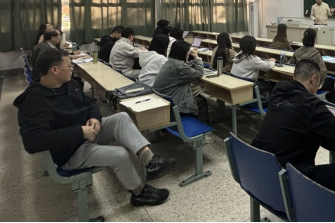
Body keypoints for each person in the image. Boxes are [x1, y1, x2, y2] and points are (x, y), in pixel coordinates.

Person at [14, 48, 170, 206]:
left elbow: (90, 103)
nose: (72, 69)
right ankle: (139, 193)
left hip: (89, 131)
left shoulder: (69, 84)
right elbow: (33, 142)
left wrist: (94, 117)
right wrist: (79, 132)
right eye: (69, 66)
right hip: (71, 151)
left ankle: (150, 161)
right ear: (54, 70)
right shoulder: (34, 101)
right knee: (120, 154)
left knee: (121, 117)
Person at [251, 59, 335, 201]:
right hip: (289, 181)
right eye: (319, 84)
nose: (318, 88)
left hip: (259, 172)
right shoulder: (312, 105)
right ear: (313, 79)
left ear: (294, 78)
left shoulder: (278, 91)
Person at [153, 41, 213, 142]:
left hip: (164, 100)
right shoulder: (179, 66)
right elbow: (199, 74)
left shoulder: (170, 61)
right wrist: (197, 58)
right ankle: (202, 134)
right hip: (173, 103)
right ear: (184, 53)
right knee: (201, 101)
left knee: (195, 94)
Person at [289, 28, 335, 102]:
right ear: (314, 39)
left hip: (298, 82)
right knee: (330, 82)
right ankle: (332, 105)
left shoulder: (297, 51)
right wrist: (318, 83)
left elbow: (289, 65)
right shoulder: (316, 54)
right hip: (311, 83)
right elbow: (323, 71)